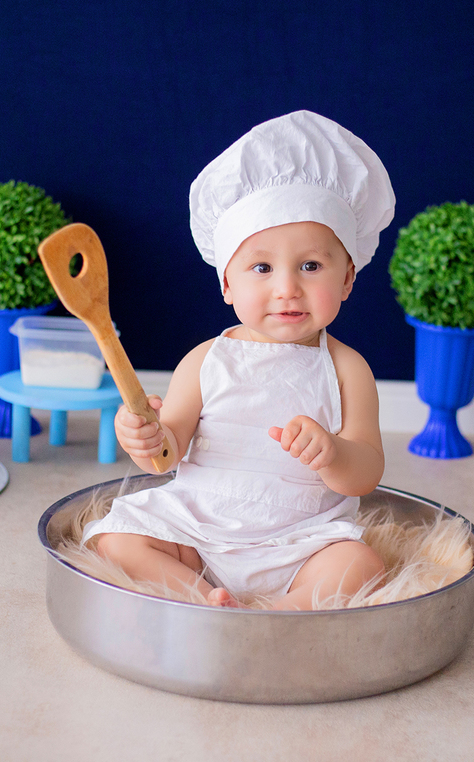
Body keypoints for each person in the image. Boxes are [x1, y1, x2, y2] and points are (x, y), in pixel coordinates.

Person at [82, 110, 395, 610]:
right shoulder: (208, 359)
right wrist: (144, 437)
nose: (287, 287)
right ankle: (206, 599)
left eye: (311, 265)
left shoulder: (346, 369)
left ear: (348, 279)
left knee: (361, 565)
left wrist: (333, 453)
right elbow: (167, 455)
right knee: (116, 541)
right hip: (198, 530)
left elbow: (366, 473)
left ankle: (280, 612)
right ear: (228, 284)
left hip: (299, 541)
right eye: (262, 267)